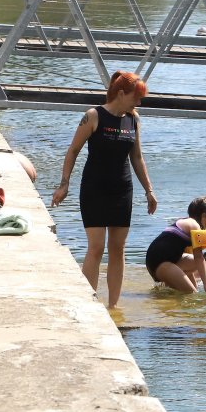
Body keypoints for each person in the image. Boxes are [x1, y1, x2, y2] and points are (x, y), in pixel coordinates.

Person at [51, 71, 157, 308]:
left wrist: (149, 190)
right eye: (136, 97)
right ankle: (89, 304)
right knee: (96, 247)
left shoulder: (134, 120)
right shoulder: (93, 116)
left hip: (122, 190)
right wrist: (64, 184)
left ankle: (113, 307)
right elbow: (73, 151)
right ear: (121, 94)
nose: (138, 103)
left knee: (118, 248)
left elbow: (137, 158)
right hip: (94, 189)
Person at [144, 195, 206, 294]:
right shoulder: (194, 225)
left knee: (197, 269)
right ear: (204, 216)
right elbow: (199, 257)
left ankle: (169, 284)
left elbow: (196, 261)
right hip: (160, 263)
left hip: (156, 260)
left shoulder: (188, 222)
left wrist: (194, 286)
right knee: (191, 294)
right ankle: (168, 284)